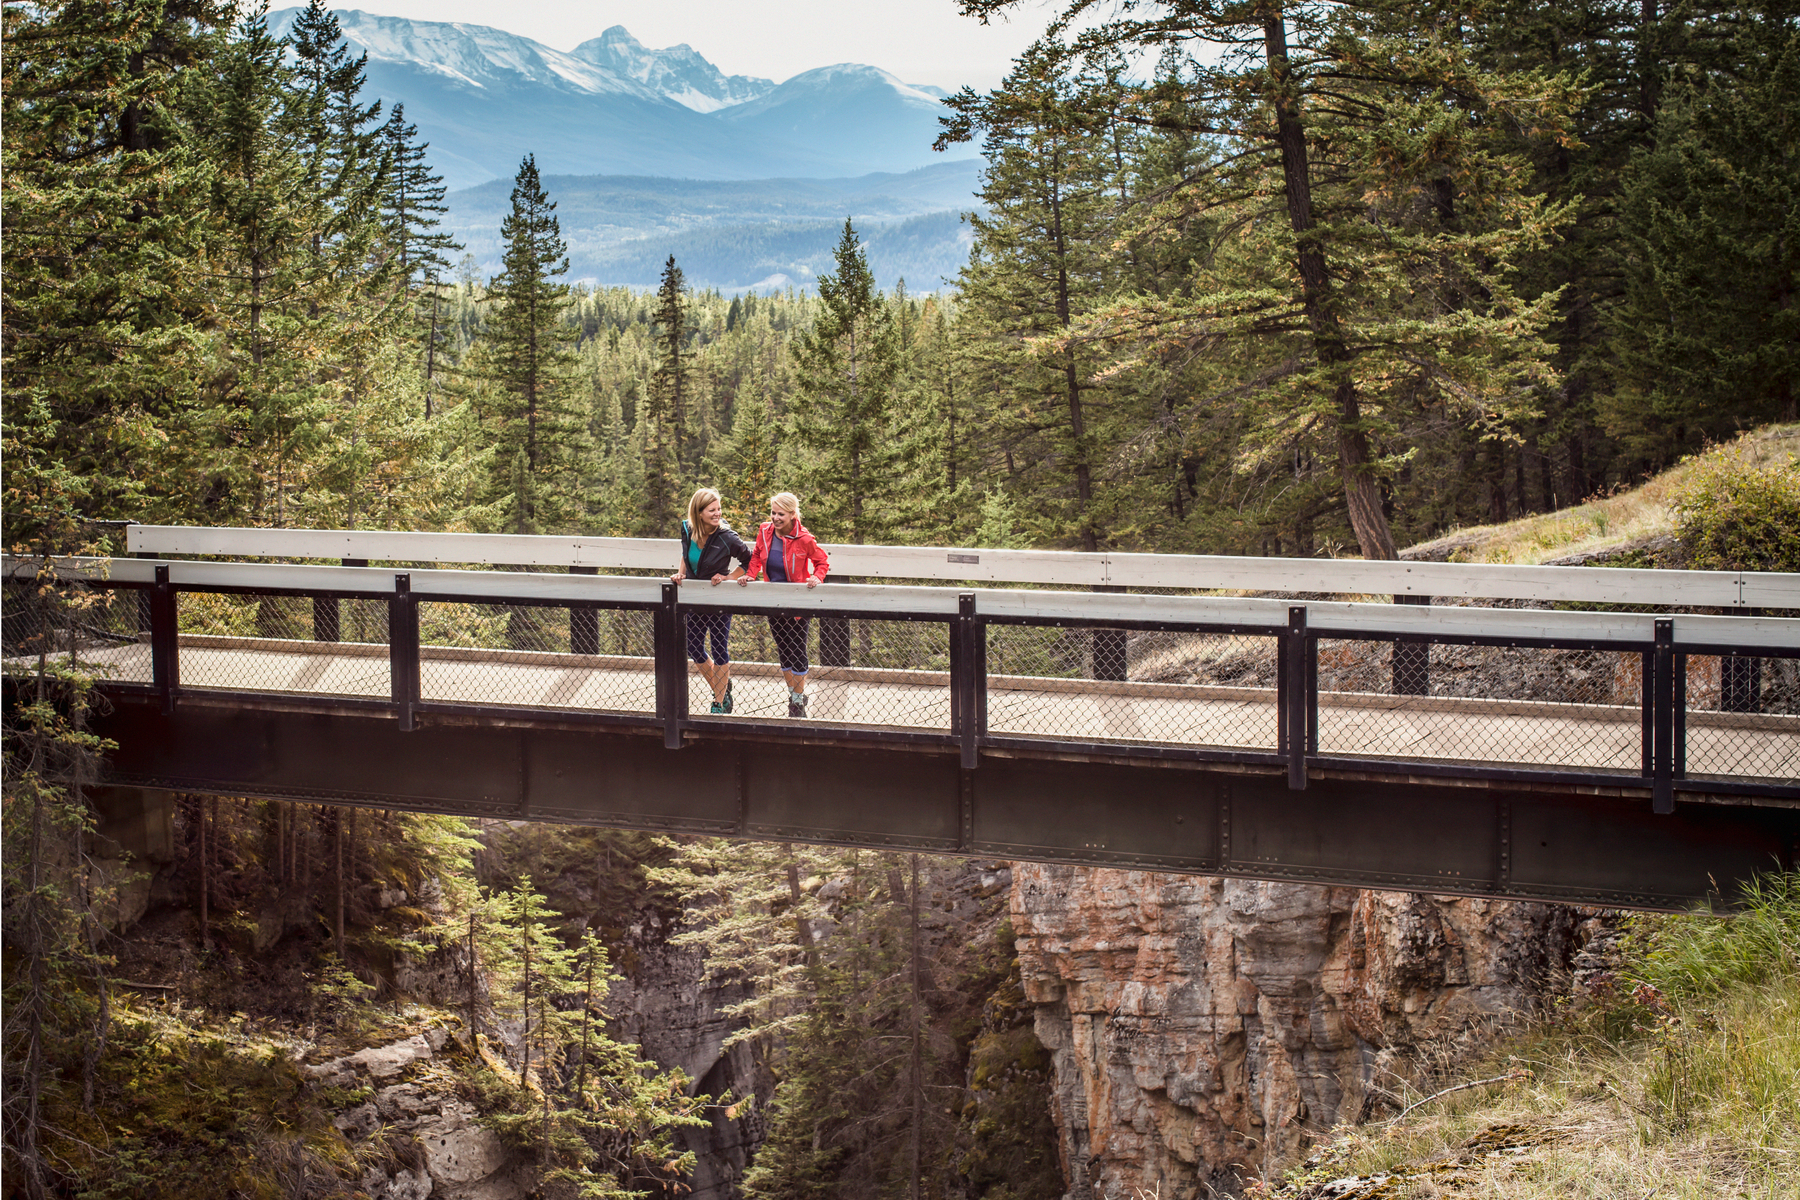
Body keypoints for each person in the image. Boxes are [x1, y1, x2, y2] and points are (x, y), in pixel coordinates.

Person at [740, 491, 830, 717]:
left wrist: (817, 577)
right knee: (783, 651)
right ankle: (794, 694)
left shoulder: (805, 539)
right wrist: (751, 574)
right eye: (773, 513)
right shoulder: (764, 531)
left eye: (781, 514)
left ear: (792, 514)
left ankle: (798, 701)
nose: (775, 518)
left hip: (798, 602)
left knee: (797, 649)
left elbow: (822, 562)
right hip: (773, 599)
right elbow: (757, 554)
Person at [673, 487, 751, 714]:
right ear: (698, 513)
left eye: (719, 509)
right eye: (711, 510)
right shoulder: (687, 529)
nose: (717, 514)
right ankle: (723, 687)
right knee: (693, 647)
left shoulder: (727, 536)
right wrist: (681, 573)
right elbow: (686, 554)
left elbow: (750, 560)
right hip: (695, 599)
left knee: (719, 649)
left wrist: (728, 577)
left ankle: (719, 701)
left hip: (718, 600)